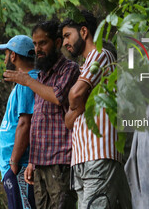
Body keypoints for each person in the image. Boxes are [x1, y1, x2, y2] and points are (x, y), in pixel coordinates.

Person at [3, 20, 80, 209]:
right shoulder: (43, 75)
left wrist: (27, 81)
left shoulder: (69, 69)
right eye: (35, 44)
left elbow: (58, 96)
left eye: (42, 43)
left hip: (60, 160)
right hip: (40, 163)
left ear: (57, 42)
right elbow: (38, 120)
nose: (38, 49)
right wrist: (32, 161)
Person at [59, 11, 132, 209]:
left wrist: (78, 102)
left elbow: (74, 96)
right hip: (83, 157)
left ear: (83, 32)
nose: (65, 42)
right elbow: (67, 121)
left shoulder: (101, 55)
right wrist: (79, 105)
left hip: (98, 154)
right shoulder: (84, 65)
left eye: (67, 36)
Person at [0, 35, 37, 209]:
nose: (5, 57)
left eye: (6, 53)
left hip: (18, 166)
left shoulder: (27, 82)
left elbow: (25, 123)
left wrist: (13, 163)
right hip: (16, 165)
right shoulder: (26, 81)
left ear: (13, 56)